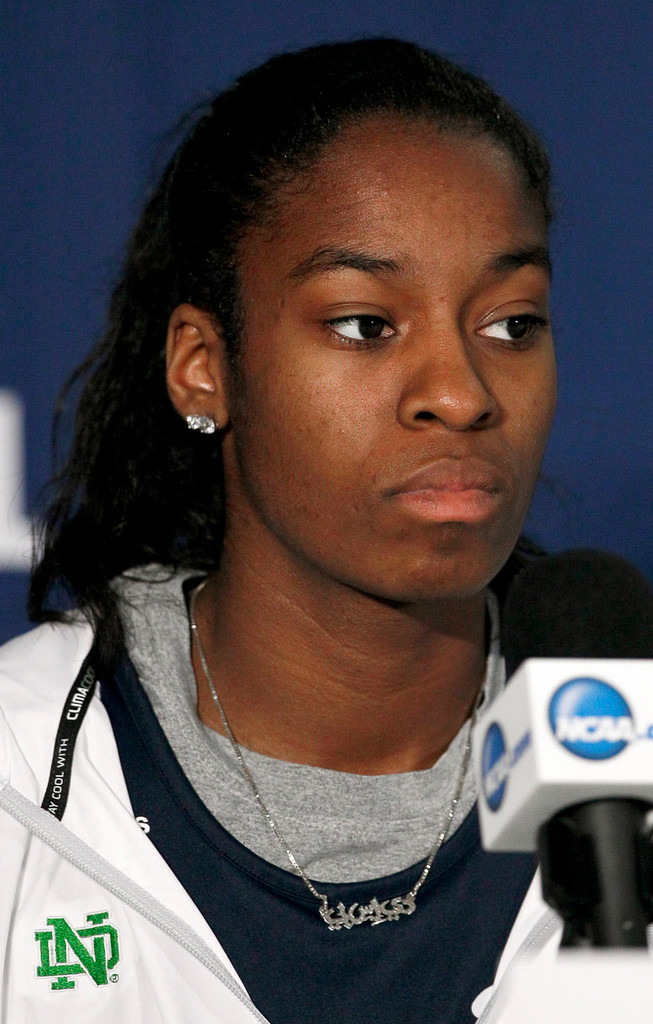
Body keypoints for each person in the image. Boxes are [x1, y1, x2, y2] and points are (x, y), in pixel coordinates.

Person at [0, 38, 559, 1022]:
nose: (458, 392)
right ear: (203, 366)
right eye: (363, 324)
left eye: (509, 322)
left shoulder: (624, 745)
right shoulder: (17, 773)